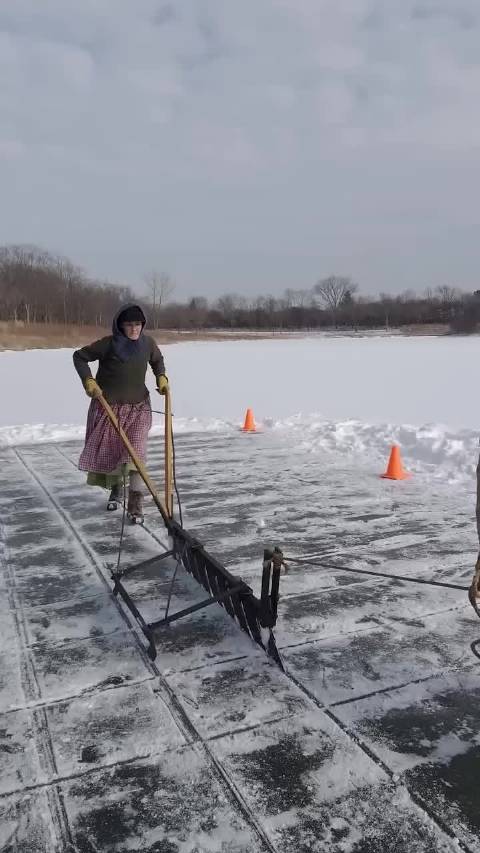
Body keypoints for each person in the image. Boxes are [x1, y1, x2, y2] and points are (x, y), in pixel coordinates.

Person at [73, 303, 168, 523]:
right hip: (109, 408)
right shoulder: (109, 344)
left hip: (138, 408)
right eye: (129, 325)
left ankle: (136, 504)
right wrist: (89, 380)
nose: (135, 329)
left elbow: (157, 360)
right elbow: (79, 356)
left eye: (138, 324)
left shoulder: (148, 344)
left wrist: (161, 377)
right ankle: (117, 490)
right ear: (120, 325)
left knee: (135, 454)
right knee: (115, 452)